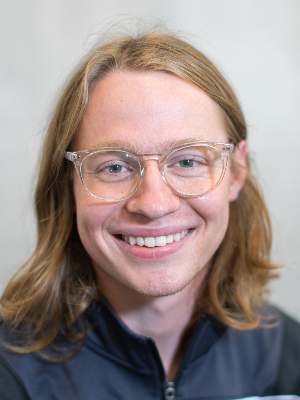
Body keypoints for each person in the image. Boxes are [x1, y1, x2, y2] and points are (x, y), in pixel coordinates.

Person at [0, 29, 300, 400]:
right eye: (113, 167)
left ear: (236, 173)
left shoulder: (288, 360)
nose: (154, 204)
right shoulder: (10, 374)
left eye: (188, 160)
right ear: (68, 184)